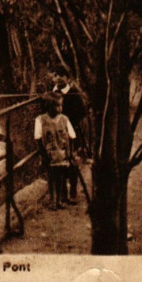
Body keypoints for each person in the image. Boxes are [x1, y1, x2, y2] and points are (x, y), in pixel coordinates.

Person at [51, 66, 89, 199]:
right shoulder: (51, 93)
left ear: (68, 78)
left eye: (62, 75)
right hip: (54, 134)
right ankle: (62, 192)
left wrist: (69, 124)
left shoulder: (73, 93)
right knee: (57, 161)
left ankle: (73, 189)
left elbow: (82, 112)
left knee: (71, 161)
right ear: (52, 77)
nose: (59, 77)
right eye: (56, 74)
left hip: (70, 132)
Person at [34, 93, 77, 209]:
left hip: (62, 153)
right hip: (50, 153)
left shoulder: (64, 119)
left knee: (61, 176)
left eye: (61, 105)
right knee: (51, 176)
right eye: (57, 106)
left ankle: (60, 199)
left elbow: (72, 136)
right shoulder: (40, 120)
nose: (60, 108)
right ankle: (53, 200)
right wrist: (43, 155)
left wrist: (70, 153)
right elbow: (38, 138)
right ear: (49, 106)